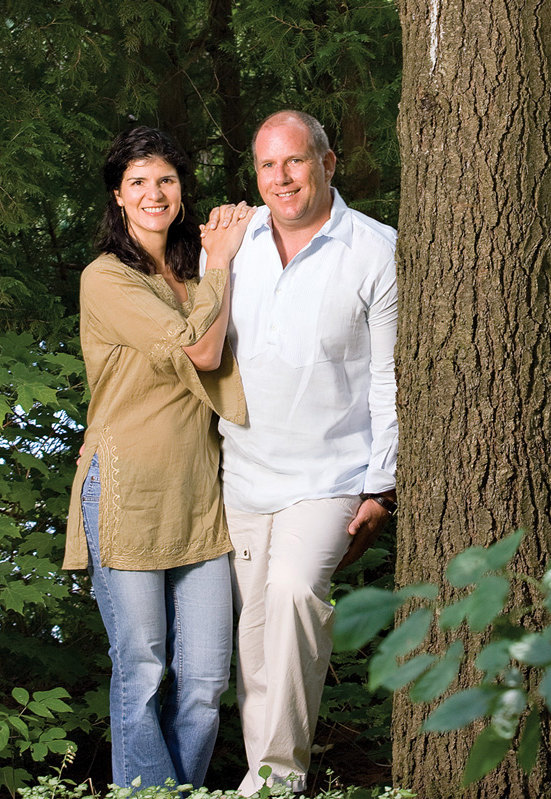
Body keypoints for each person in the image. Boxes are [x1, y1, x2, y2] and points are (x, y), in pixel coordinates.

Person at [202, 110, 398, 795]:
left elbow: (387, 377)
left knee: (293, 595)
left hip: (331, 476)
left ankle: (278, 783)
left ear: (327, 163)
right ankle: (267, 776)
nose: (281, 178)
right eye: (266, 165)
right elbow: (201, 347)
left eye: (294, 161)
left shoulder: (376, 250)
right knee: (254, 639)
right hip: (245, 475)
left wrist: (383, 487)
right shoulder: (235, 241)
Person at [63, 126, 254, 789]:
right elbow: (203, 352)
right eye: (138, 181)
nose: (153, 192)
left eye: (166, 179)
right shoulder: (107, 278)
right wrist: (224, 258)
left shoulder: (198, 273)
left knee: (205, 679)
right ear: (118, 196)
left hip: (200, 500)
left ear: (181, 190)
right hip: (125, 493)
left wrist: (223, 255)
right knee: (141, 670)